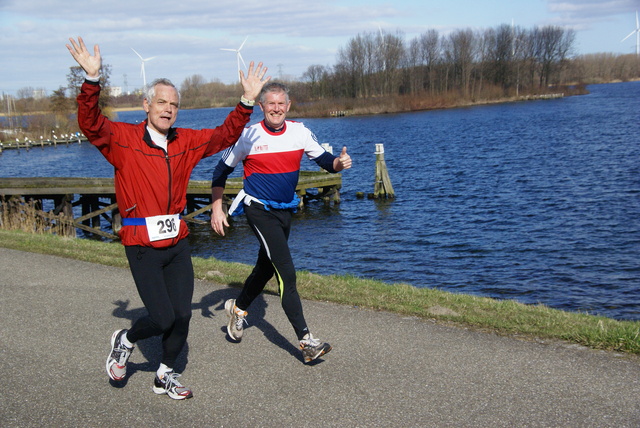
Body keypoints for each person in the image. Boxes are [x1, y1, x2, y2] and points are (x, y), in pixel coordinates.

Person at [66, 36, 270, 399]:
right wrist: (92, 80)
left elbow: (224, 135)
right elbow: (90, 123)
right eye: (161, 102)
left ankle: (165, 375)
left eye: (174, 105)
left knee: (183, 316)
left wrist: (247, 102)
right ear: (146, 105)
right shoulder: (122, 139)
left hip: (176, 242)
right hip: (141, 244)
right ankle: (125, 340)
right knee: (161, 318)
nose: (168, 109)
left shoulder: (185, 142)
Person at [210, 82, 352, 363]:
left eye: (281, 103)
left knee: (266, 266)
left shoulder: (299, 132)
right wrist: (217, 207)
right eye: (270, 104)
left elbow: (325, 160)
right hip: (258, 209)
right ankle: (306, 341)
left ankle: (238, 309)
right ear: (261, 107)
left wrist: (340, 162)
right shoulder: (248, 135)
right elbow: (220, 170)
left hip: (285, 210)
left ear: (288, 106)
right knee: (285, 270)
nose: (276, 109)